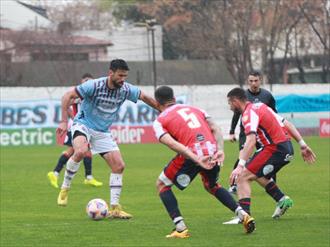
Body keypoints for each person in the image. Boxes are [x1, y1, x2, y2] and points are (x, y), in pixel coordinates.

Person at [56, 59, 159, 219]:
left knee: (119, 166)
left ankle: (115, 208)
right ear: (110, 73)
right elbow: (67, 96)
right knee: (81, 151)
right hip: (83, 124)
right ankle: (65, 188)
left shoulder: (125, 89)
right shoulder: (94, 85)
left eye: (125, 76)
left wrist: (162, 110)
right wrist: (63, 121)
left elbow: (145, 97)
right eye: (120, 75)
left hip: (102, 131)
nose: (123, 79)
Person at [153, 86, 255, 238]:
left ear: (157, 103)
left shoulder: (159, 120)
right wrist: (220, 149)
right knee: (212, 185)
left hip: (192, 154)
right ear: (174, 99)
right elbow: (215, 128)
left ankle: (180, 228)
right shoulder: (196, 109)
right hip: (212, 150)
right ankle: (243, 214)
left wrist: (195, 158)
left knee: (162, 185)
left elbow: (173, 144)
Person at [226, 87, 316, 221]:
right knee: (255, 173)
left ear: (235, 101)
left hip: (274, 149)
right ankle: (282, 199)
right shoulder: (261, 106)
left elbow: (250, 141)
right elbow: (287, 124)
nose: (229, 107)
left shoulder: (247, 115)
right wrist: (303, 145)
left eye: (229, 103)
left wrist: (239, 166)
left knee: (242, 177)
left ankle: (244, 217)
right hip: (286, 148)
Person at [47, 73, 102, 189]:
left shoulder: (91, 94)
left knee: (75, 151)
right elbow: (66, 103)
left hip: (85, 127)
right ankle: (88, 177)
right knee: (82, 150)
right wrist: (72, 117)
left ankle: (56, 173)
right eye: (85, 81)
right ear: (82, 82)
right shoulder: (79, 95)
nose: (87, 83)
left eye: (89, 81)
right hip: (78, 127)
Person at [228, 70, 277, 195]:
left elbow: (274, 114)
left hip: (262, 133)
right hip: (246, 131)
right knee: (243, 156)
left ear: (260, 81)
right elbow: (236, 114)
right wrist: (232, 131)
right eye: (251, 81)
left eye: (256, 81)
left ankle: (272, 183)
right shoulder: (243, 96)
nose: (253, 83)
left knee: (267, 157)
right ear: (247, 81)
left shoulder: (267, 95)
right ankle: (234, 184)